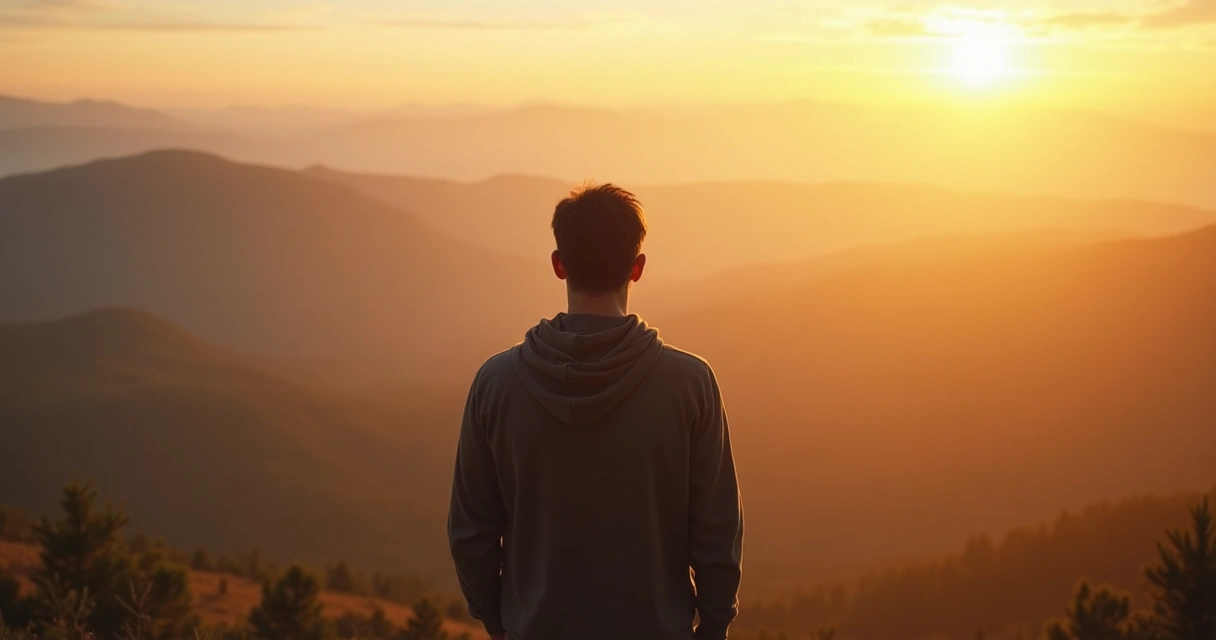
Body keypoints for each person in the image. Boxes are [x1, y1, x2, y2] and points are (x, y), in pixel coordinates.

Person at [448, 183, 743, 640]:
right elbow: (716, 530)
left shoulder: (496, 384)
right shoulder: (690, 385)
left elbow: (471, 533)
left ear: (558, 264)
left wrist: (497, 620)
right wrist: (716, 624)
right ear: (637, 268)